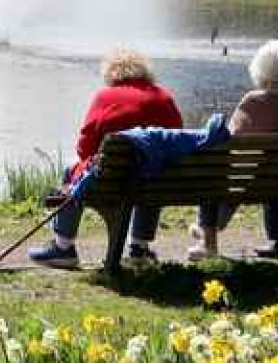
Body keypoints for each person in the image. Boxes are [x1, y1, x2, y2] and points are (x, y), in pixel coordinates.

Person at [29, 48, 183, 270]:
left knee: (72, 168)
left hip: (110, 183)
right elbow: (176, 140)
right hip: (156, 183)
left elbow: (85, 148)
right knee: (152, 167)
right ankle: (139, 248)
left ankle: (63, 247)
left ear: (112, 73)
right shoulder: (164, 97)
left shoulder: (105, 97)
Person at [189, 40, 278, 261]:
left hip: (258, 179)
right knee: (269, 171)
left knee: (214, 171)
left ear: (260, 69)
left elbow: (226, 140)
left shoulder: (254, 101)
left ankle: (207, 241)